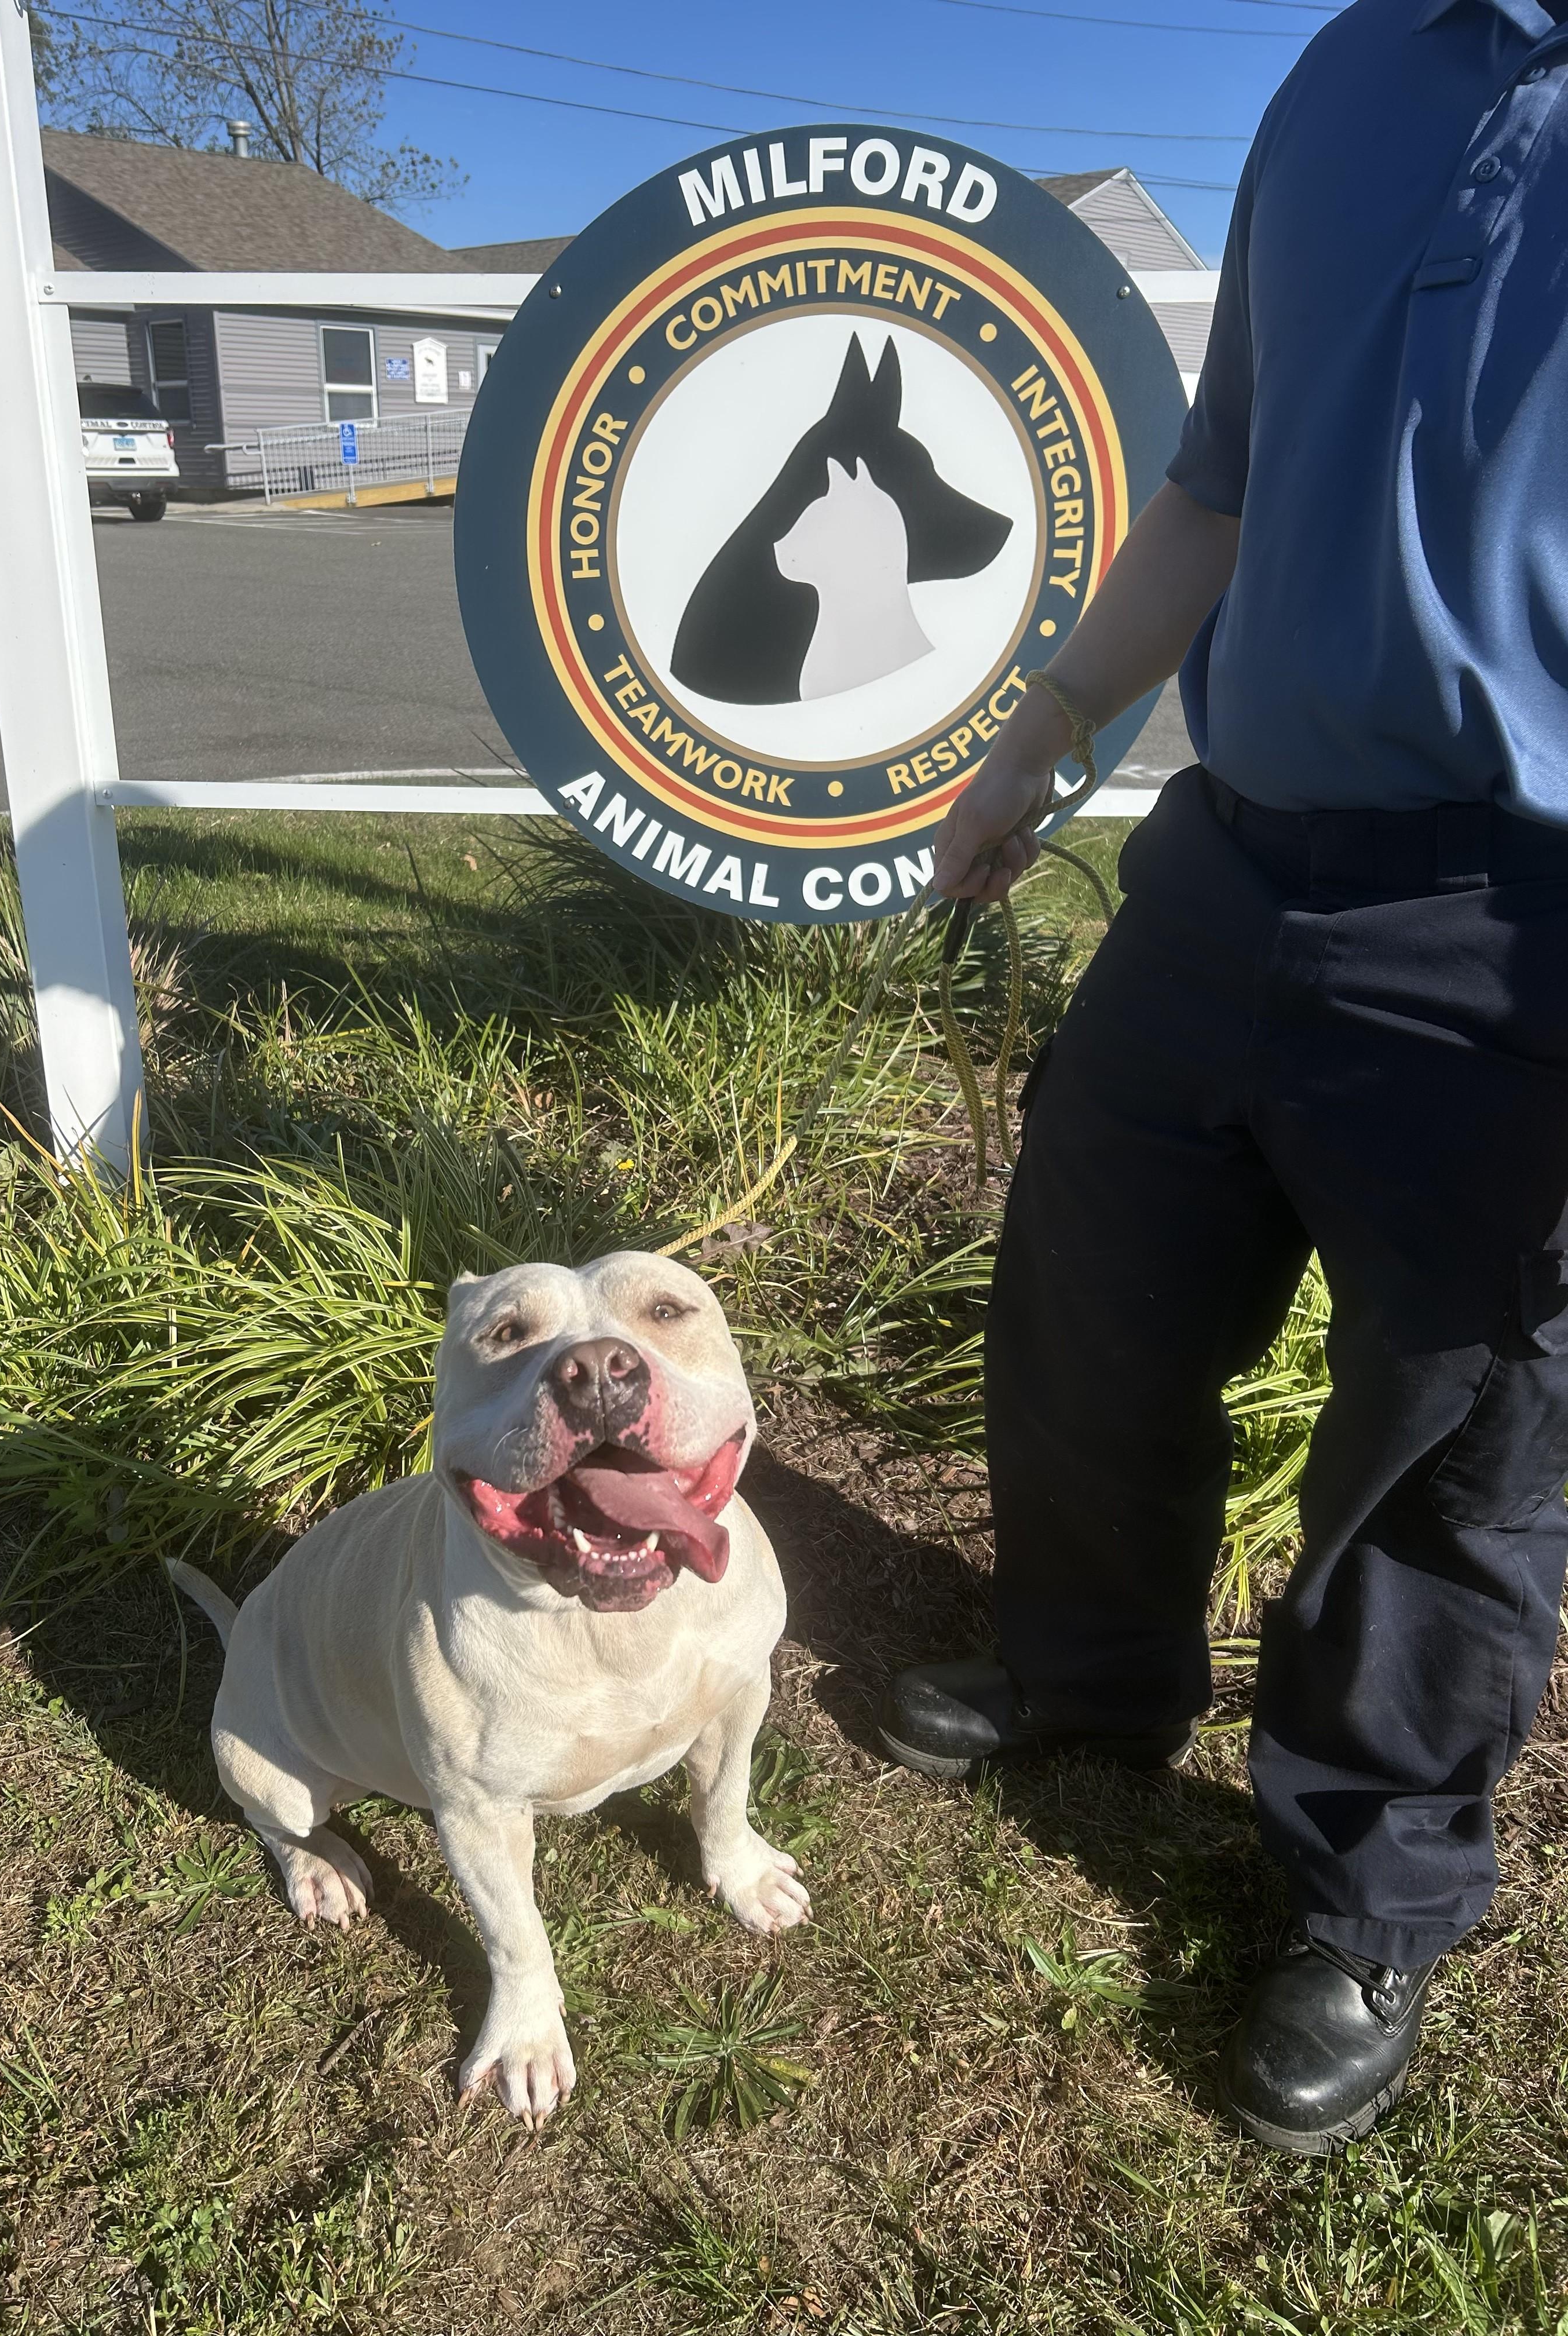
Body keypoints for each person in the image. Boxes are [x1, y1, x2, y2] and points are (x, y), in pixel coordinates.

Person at [879, 0, 1568, 2156]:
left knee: (1454, 1450)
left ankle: (1373, 1888)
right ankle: (1092, 1677)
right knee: (1093, 1306)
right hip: (1229, 861)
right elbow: (1221, 479)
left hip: (1525, 921)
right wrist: (1048, 723)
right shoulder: (1355, 67)